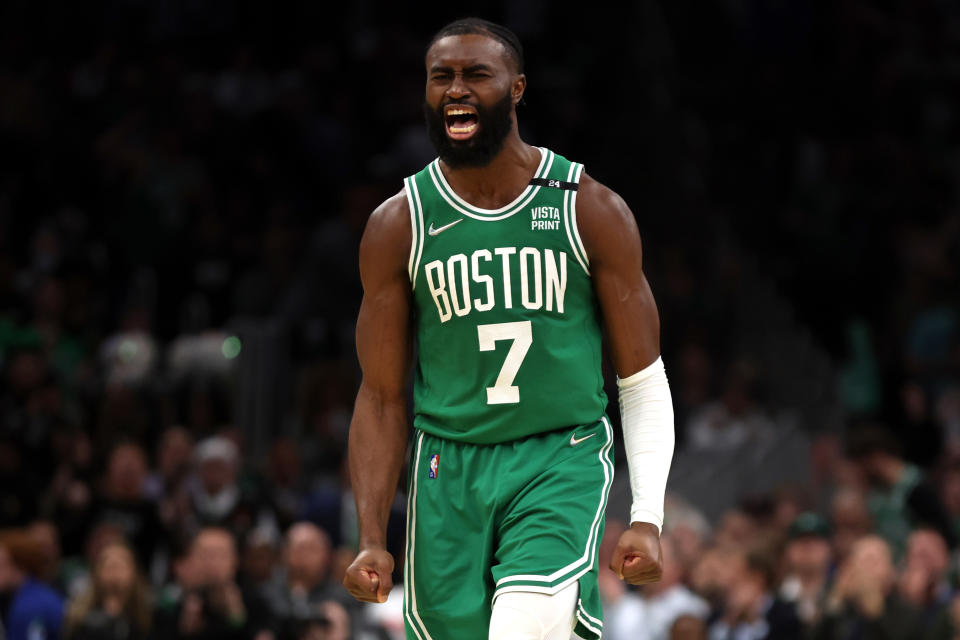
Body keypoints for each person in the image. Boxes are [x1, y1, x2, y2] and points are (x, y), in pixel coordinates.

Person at [341, 17, 676, 640]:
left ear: (517, 89)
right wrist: (370, 538)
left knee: (518, 629)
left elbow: (642, 377)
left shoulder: (586, 207)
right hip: (447, 470)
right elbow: (382, 394)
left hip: (559, 457)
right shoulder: (399, 224)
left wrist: (647, 517)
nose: (456, 90)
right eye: (441, 77)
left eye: (476, 75)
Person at [63, 542, 152, 640]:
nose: (115, 571)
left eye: (121, 565)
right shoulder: (80, 619)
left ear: (134, 573)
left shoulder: (148, 618)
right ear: (97, 574)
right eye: (108, 565)